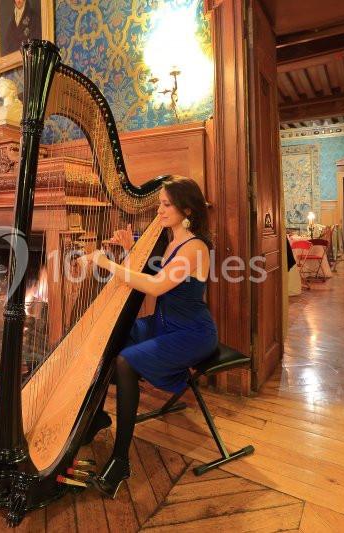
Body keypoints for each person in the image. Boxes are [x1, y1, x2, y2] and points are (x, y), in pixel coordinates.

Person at [79, 176, 218, 498]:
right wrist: (130, 249)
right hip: (164, 324)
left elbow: (156, 287)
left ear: (187, 210)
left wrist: (107, 264)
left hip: (192, 333)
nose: (160, 210)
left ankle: (120, 460)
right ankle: (98, 416)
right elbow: (160, 274)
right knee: (111, 336)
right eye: (159, 204)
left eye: (166, 205)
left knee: (125, 362)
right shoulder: (172, 241)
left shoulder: (195, 247)